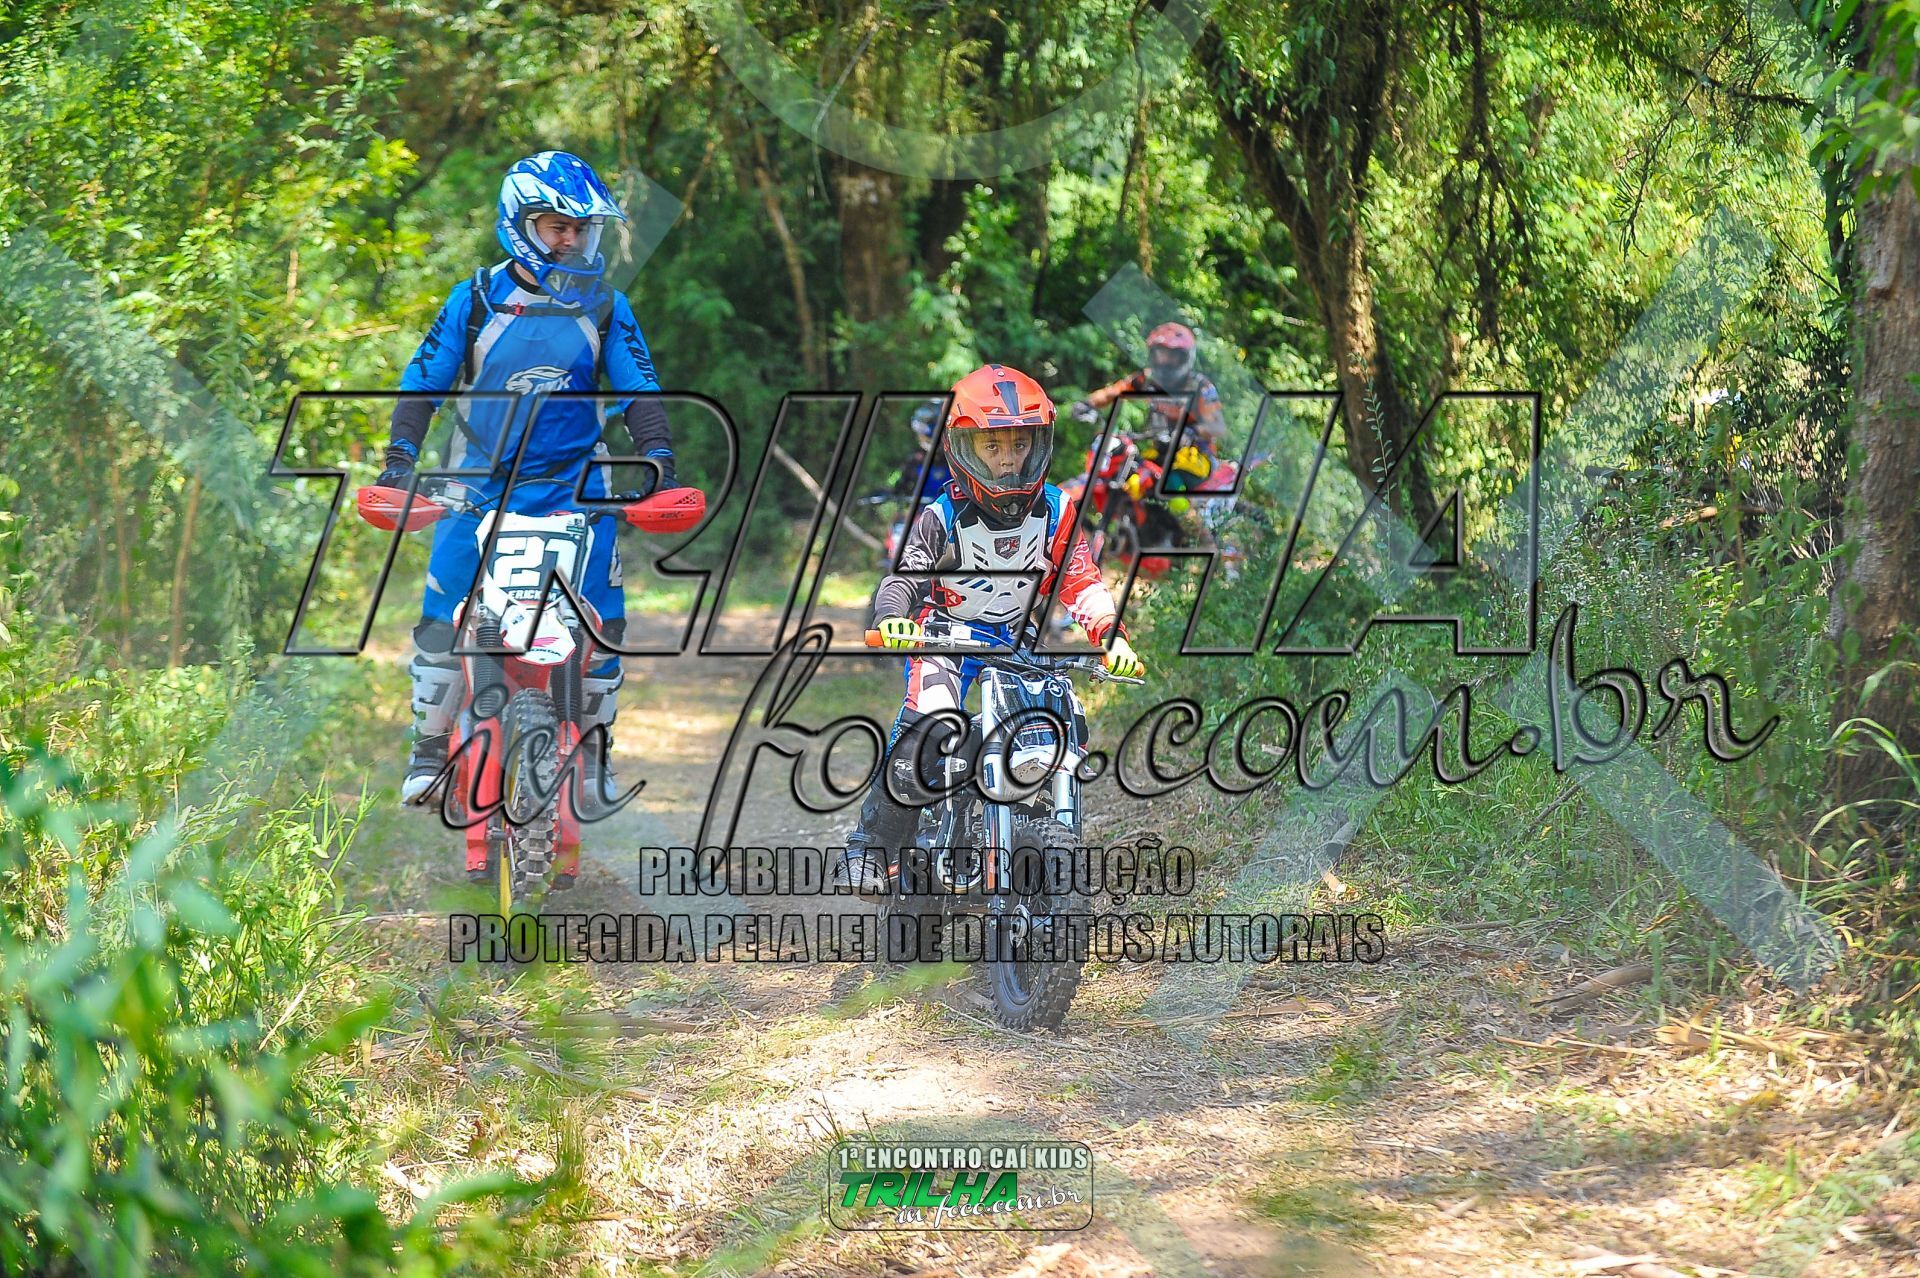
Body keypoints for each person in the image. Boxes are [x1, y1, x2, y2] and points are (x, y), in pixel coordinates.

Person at [376, 151, 677, 843]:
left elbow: (639, 386)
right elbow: (423, 382)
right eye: (556, 226)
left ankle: (595, 752)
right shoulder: (476, 300)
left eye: (580, 229)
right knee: (442, 619)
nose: (571, 240)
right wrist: (399, 460)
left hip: (578, 487)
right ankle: (429, 749)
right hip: (475, 486)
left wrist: (659, 457)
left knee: (602, 624)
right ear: (521, 224)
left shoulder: (605, 306)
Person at [831, 364, 1146, 895]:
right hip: (945, 636)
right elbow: (904, 577)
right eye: (992, 445)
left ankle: (1030, 829)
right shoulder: (942, 514)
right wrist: (892, 620)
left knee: (1059, 723)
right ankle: (870, 848)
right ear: (963, 448)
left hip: (1016, 639)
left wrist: (1109, 635)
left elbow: (1081, 580)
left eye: (1020, 445)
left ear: (1039, 444)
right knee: (928, 727)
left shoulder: (1057, 510)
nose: (1007, 459)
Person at [1069, 321, 1224, 503]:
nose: (1164, 361)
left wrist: (1191, 431)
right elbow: (1115, 391)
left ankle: (1192, 520)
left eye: (1171, 356)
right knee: (1133, 477)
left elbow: (1217, 426)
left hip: (1195, 455)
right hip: (1160, 451)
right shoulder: (1149, 378)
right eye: (1160, 354)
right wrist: (1087, 403)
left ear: (1185, 358)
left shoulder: (1200, 386)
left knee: (1171, 485)